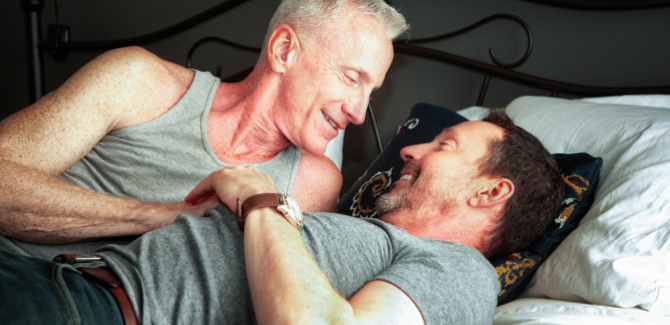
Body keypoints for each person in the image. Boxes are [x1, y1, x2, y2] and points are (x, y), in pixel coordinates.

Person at [0, 108, 565, 324]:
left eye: (445, 145)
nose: (411, 150)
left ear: (491, 192)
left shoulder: (461, 272)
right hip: (55, 274)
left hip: (93, 310)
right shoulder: (364, 232)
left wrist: (258, 197)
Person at [0, 0, 409, 260]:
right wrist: (162, 216)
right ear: (285, 51)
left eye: (370, 93)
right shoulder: (137, 80)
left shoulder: (313, 185)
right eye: (352, 78)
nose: (359, 113)